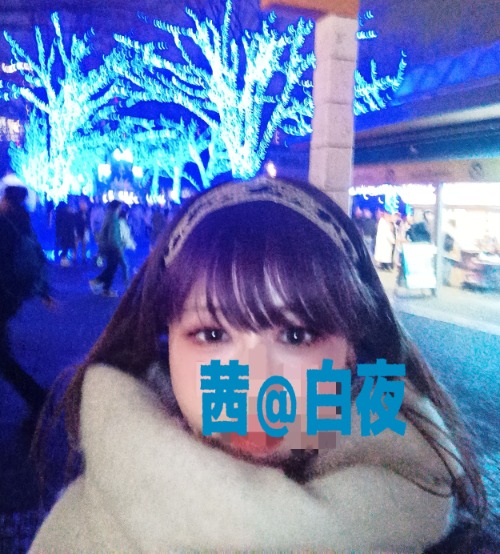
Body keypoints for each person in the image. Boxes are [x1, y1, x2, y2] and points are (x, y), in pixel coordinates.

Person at [31, 177, 487, 552]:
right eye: (212, 335)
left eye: (296, 335)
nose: (255, 384)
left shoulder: (435, 523)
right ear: (166, 344)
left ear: (352, 351)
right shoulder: (84, 530)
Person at [0, 185, 52, 416]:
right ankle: (37, 397)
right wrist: (43, 292)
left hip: (3, 295)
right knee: (3, 357)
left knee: (4, 359)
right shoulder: (24, 222)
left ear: (6, 200)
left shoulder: (4, 224)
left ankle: (38, 398)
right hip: (12, 296)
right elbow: (37, 256)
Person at [89, 200, 122, 297]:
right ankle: (99, 283)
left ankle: (105, 288)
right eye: (120, 207)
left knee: (111, 267)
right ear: (116, 208)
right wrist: (118, 247)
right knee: (112, 268)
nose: (120, 209)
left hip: (106, 246)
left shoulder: (108, 216)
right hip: (111, 247)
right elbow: (113, 236)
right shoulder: (113, 218)